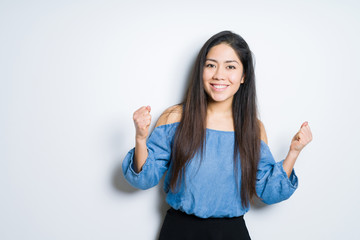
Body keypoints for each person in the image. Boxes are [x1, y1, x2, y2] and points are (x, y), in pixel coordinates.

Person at [122, 30, 313, 240]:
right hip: (180, 231)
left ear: (244, 76)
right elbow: (144, 180)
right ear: (201, 71)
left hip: (231, 233)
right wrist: (140, 138)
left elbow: (267, 192)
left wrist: (294, 153)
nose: (219, 75)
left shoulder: (252, 128)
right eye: (211, 65)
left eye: (230, 66)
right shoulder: (175, 117)